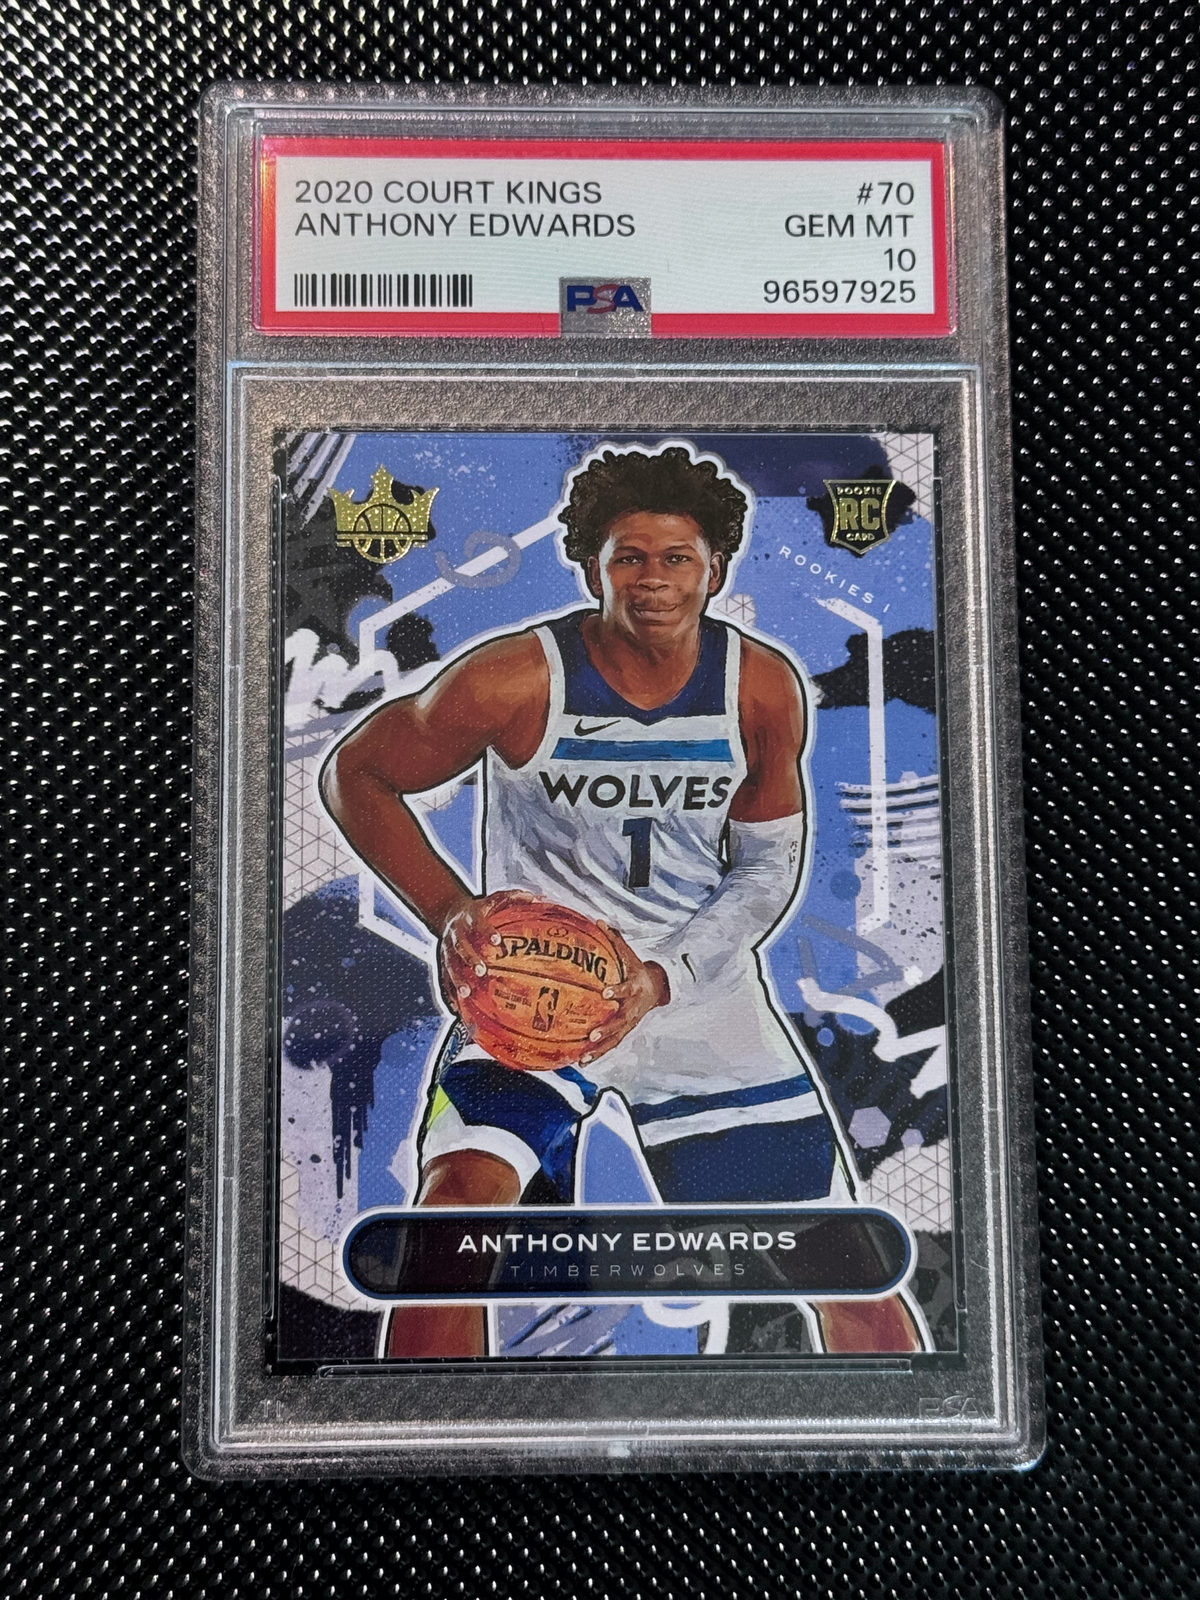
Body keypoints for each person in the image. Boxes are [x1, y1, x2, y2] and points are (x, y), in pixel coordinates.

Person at [321, 443, 921, 1357]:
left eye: (677, 557)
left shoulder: (760, 686)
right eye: (629, 557)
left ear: (715, 568)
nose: (654, 579)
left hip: (698, 1004)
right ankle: (426, 1434)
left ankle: (906, 1431)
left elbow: (765, 874)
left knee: (843, 1267)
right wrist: (448, 910)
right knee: (447, 1234)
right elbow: (358, 772)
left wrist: (662, 976)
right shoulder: (515, 677)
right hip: (536, 995)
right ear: (591, 566)